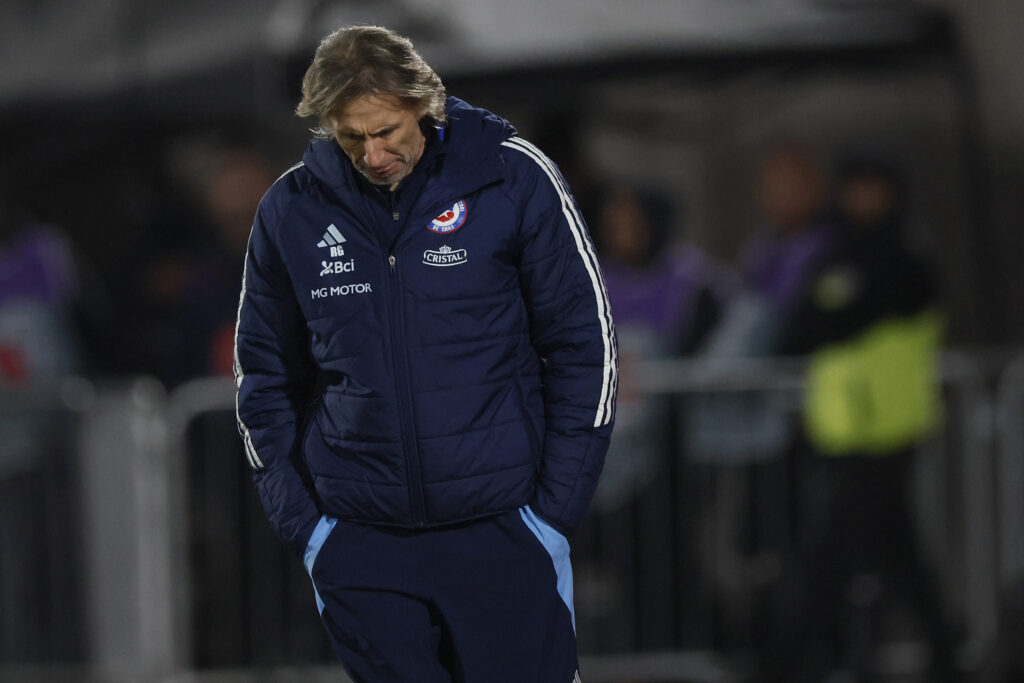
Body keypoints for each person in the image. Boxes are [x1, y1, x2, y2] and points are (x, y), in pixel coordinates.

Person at [233, 25, 617, 682]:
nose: (373, 154)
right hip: (361, 543)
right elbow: (262, 378)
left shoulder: (512, 176)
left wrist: (553, 513)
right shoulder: (290, 210)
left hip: (503, 530)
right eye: (351, 137)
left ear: (424, 104)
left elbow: (587, 346)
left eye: (386, 131)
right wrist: (312, 531)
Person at [766, 153, 958, 682]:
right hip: (841, 430)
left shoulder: (908, 259)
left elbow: (860, 311)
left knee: (827, 557)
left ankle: (782, 664)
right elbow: (800, 330)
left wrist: (836, 314)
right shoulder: (833, 255)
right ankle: (946, 656)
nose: (862, 200)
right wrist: (836, 315)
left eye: (872, 188)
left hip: (890, 429)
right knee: (900, 554)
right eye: (854, 188)